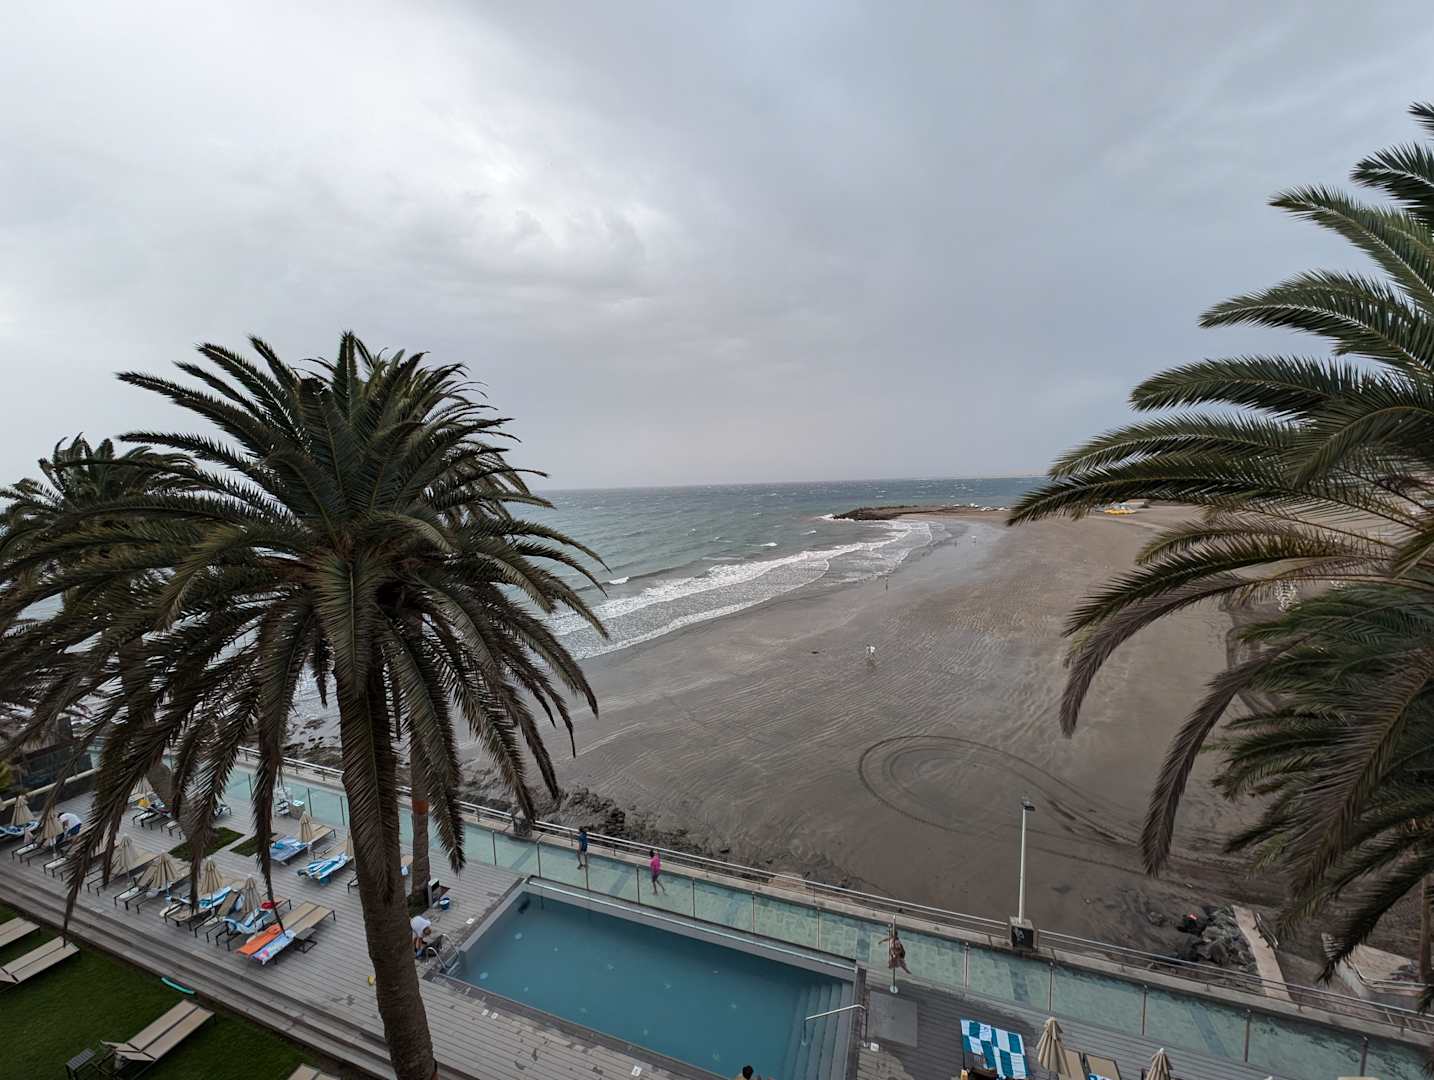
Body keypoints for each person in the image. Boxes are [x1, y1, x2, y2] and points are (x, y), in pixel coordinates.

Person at [879, 925, 910, 991]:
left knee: (900, 963)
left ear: (894, 935)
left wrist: (895, 954)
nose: (890, 935)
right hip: (894, 954)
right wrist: (881, 941)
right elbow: (887, 939)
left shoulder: (897, 941)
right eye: (890, 934)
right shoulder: (892, 938)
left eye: (891, 934)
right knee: (895, 963)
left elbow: (900, 950)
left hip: (898, 954)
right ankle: (900, 967)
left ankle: (906, 971)